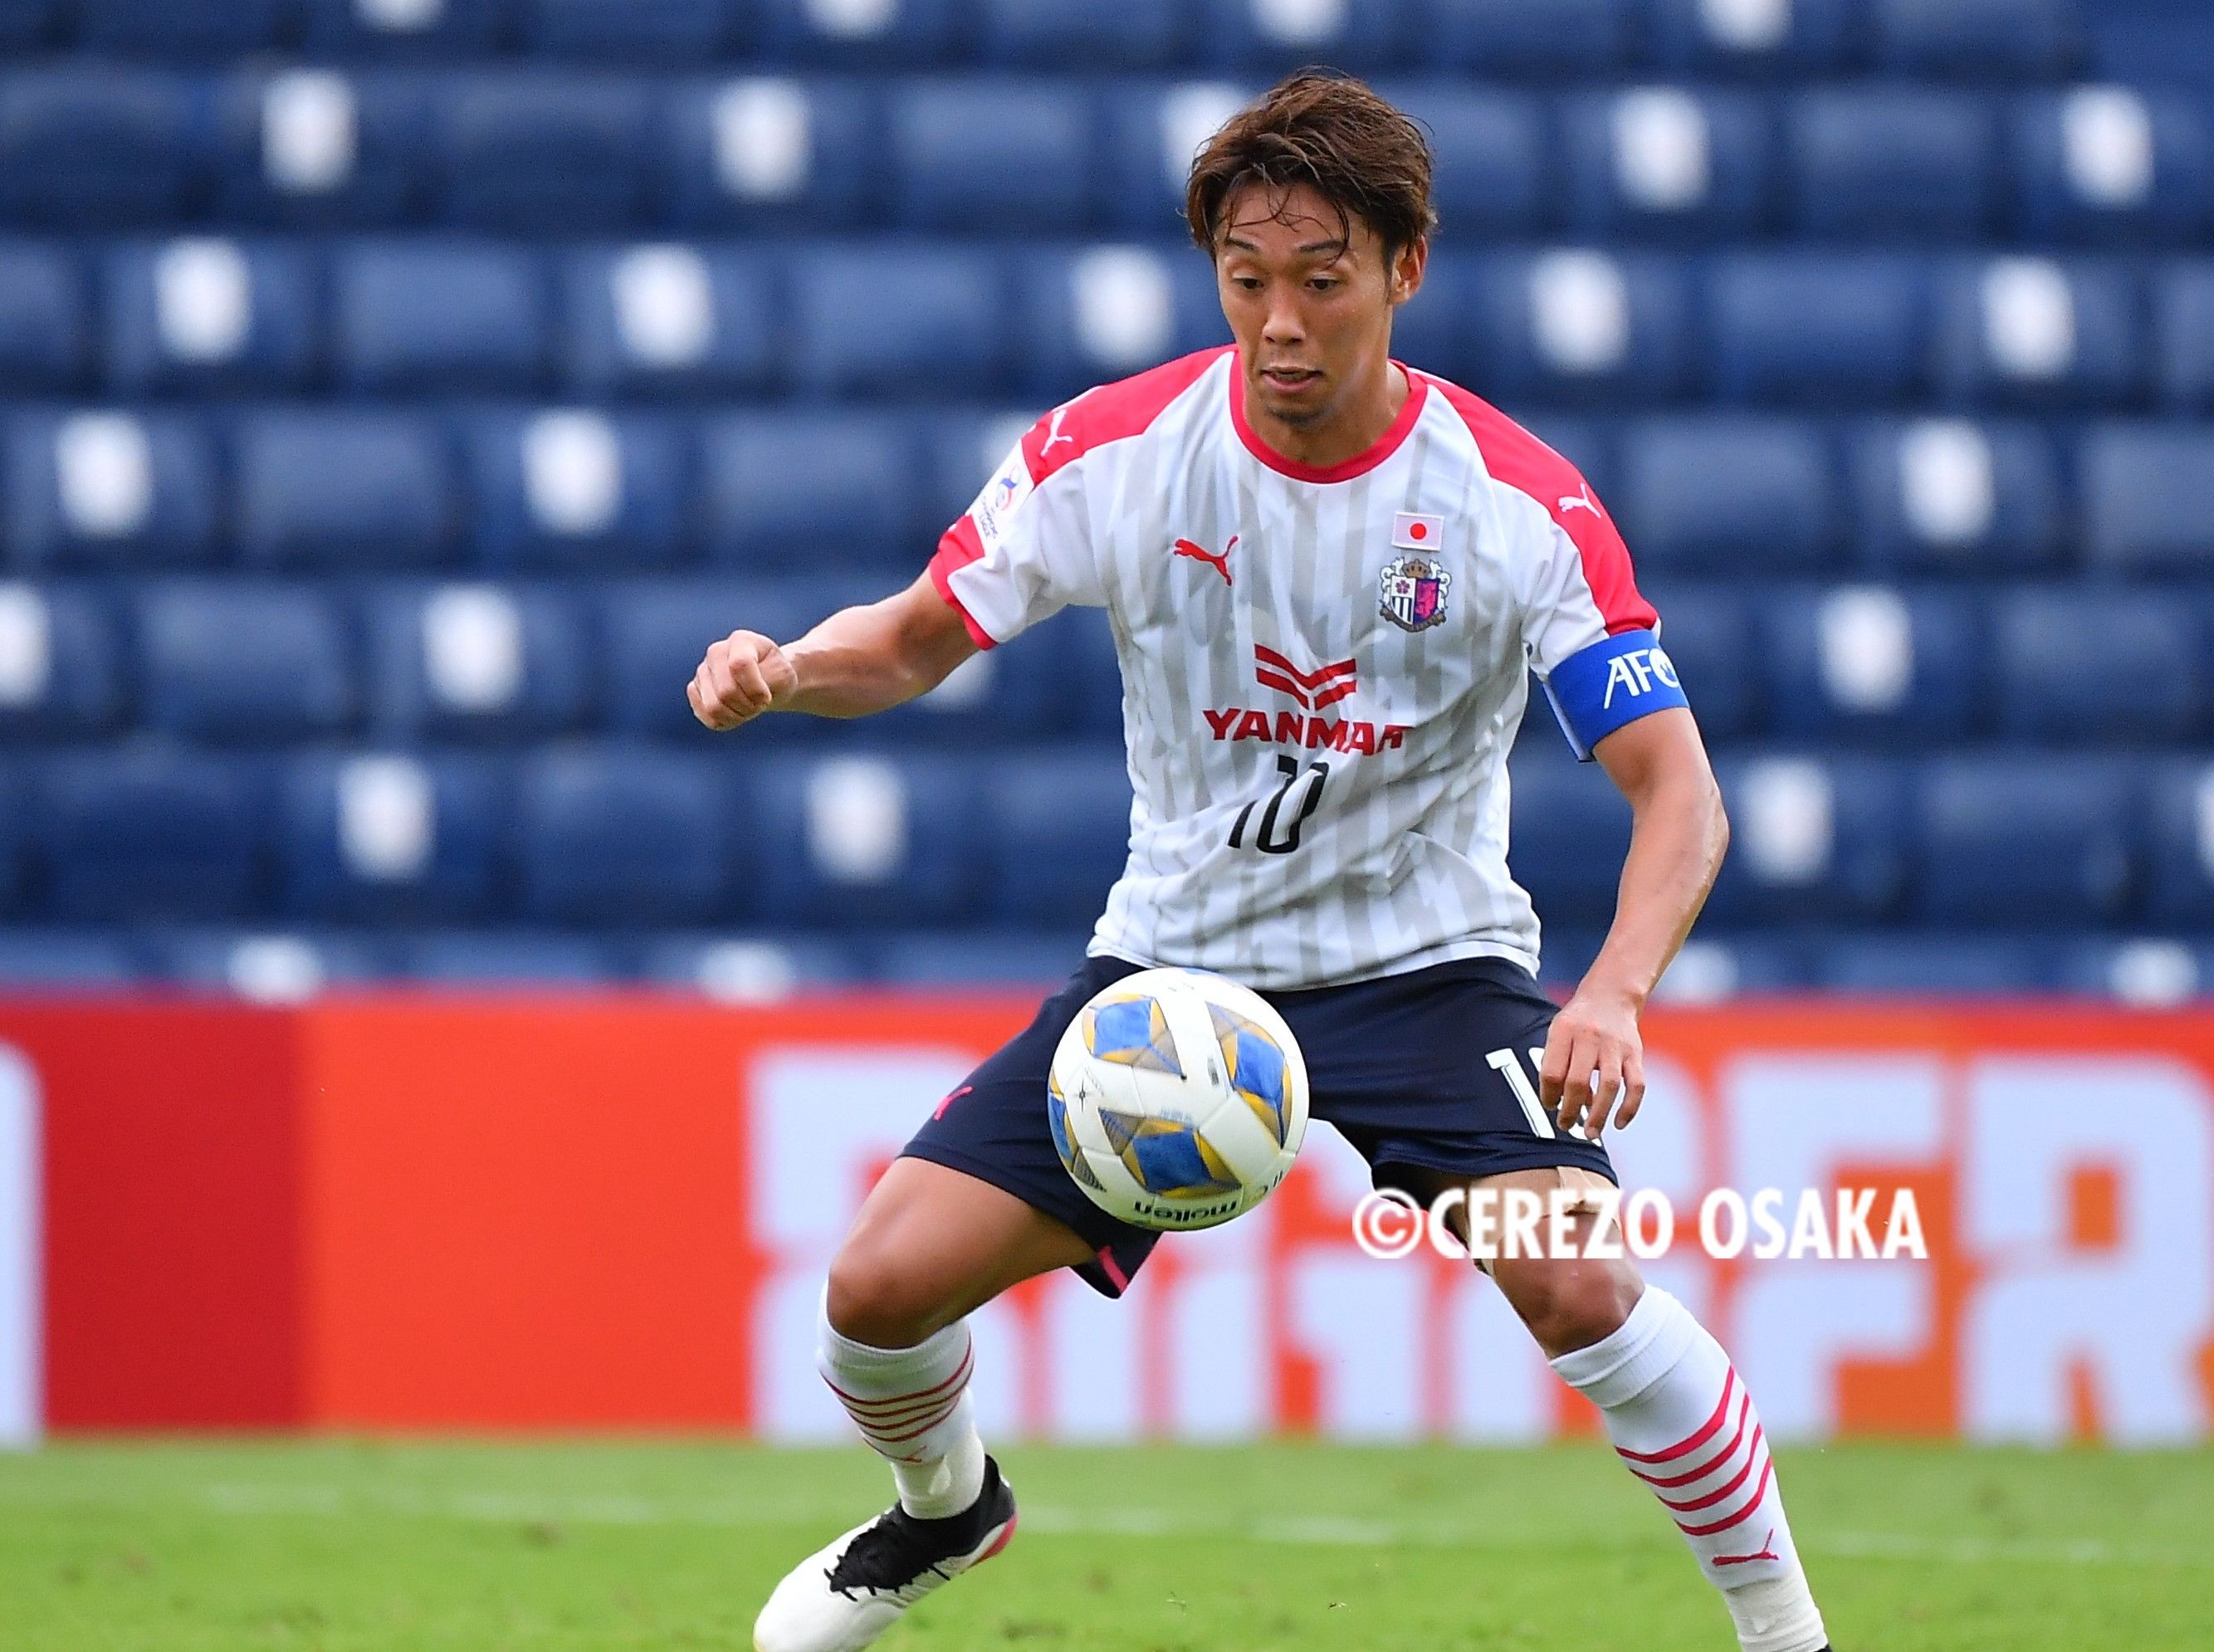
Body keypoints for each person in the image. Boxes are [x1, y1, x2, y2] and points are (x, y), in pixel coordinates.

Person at [694, 70, 1832, 1652]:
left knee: (1576, 1288)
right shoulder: (1119, 452)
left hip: (1430, 968)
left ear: (1402, 269)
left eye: (1321, 278)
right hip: (1172, 973)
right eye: (1246, 280)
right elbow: (907, 638)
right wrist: (786, 667)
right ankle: (947, 1504)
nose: (1280, 321)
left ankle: (1788, 1636)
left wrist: (1618, 991)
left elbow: (1680, 794)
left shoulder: (1515, 507)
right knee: (874, 1293)